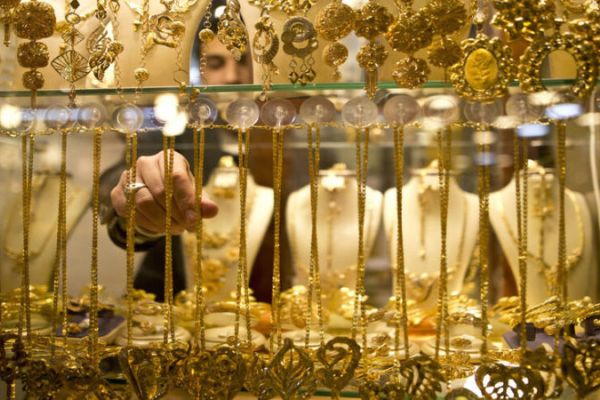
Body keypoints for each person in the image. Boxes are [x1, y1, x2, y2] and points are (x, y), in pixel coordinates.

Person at [101, 6, 254, 301]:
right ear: (200, 69)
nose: (232, 76)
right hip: (174, 297)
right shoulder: (173, 133)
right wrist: (138, 196)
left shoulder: (288, 136)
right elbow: (116, 189)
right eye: (217, 63)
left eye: (242, 61)